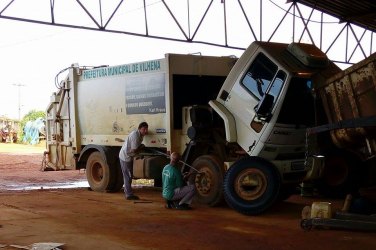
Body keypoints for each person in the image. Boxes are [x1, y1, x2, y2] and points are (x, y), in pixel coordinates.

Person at [119, 122, 148, 200]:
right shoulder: (135, 135)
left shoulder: (140, 135)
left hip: (128, 156)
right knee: (128, 176)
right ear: (139, 129)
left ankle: (128, 192)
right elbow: (134, 150)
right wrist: (140, 150)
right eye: (143, 129)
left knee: (129, 175)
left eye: (146, 129)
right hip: (125, 157)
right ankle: (128, 194)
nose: (145, 131)